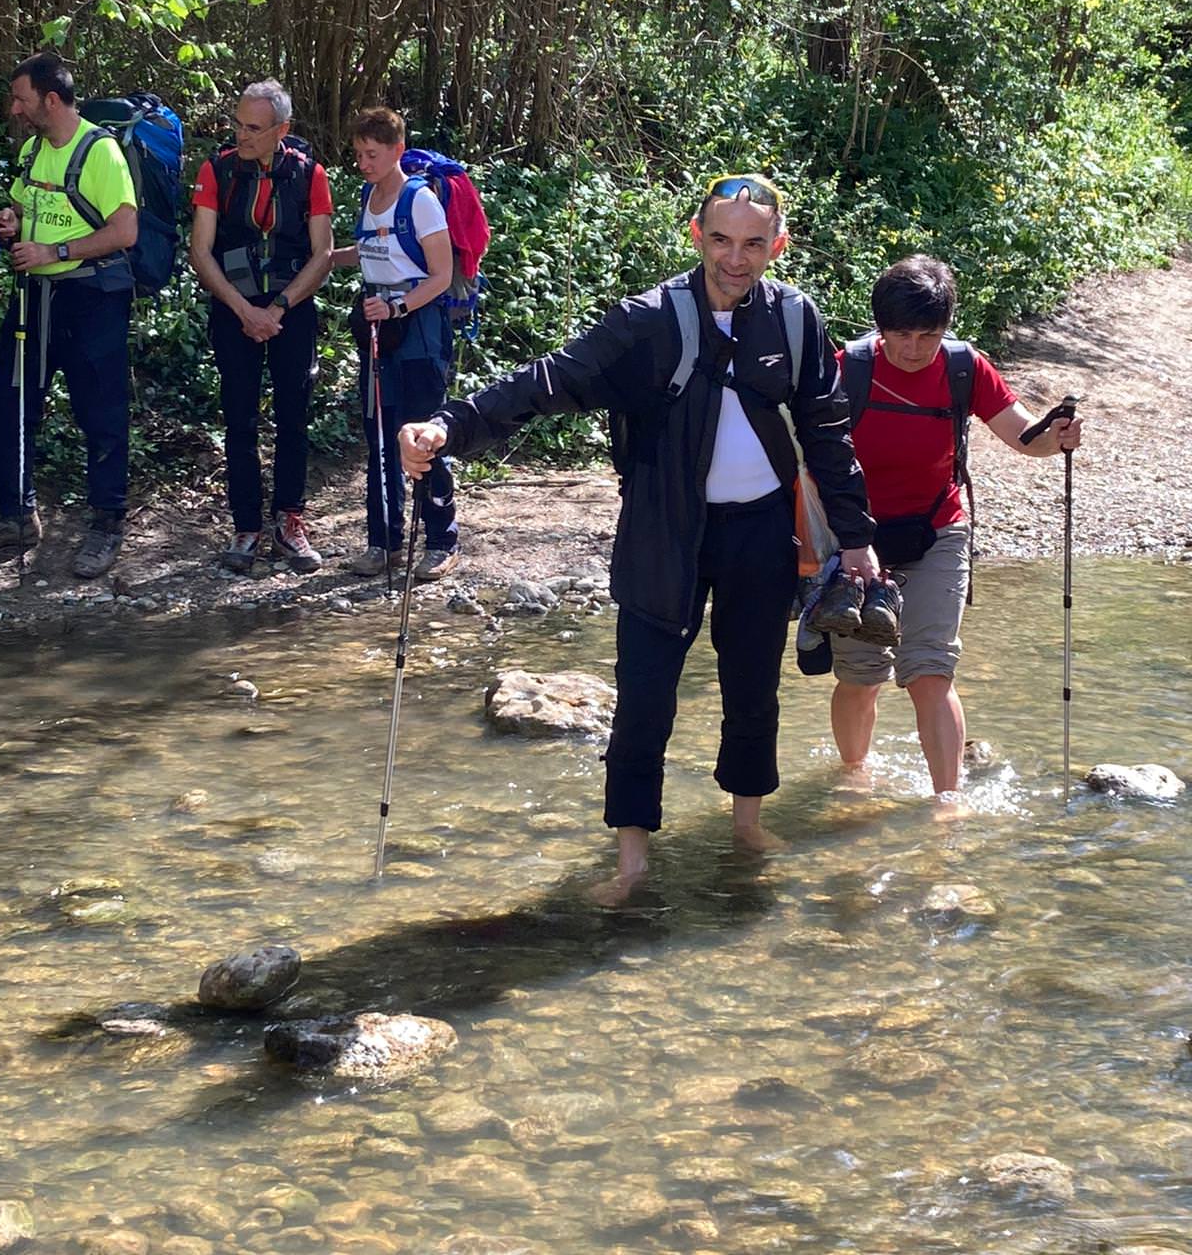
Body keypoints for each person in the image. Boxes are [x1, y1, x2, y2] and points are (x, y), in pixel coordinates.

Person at [401, 173, 878, 900]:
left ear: (777, 246)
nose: (736, 257)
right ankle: (631, 862)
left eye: (753, 243)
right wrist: (449, 425)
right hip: (662, 532)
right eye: (721, 239)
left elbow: (827, 430)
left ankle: (747, 827)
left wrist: (856, 537)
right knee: (645, 698)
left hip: (759, 534)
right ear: (696, 234)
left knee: (753, 692)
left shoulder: (795, 319)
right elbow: (549, 380)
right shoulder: (646, 321)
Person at [821, 255, 1082, 797]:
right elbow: (808, 455)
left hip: (939, 529)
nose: (914, 349)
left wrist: (1058, 438)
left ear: (946, 328)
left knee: (930, 670)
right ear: (879, 326)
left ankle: (947, 803)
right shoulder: (849, 370)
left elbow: (1022, 437)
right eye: (901, 335)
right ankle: (854, 778)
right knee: (861, 674)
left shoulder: (965, 367)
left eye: (928, 335)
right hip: (855, 537)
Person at [0, 53, 138, 578]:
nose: (15, 109)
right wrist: (11, 221)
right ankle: (16, 513)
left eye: (22, 100)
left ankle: (107, 525)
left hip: (91, 300)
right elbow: (26, 208)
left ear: (50, 100)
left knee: (100, 412)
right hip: (35, 298)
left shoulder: (101, 152)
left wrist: (55, 252)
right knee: (10, 403)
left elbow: (125, 233)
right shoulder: (33, 149)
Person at [189, 80, 334, 573]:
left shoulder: (309, 175)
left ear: (282, 130)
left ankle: (291, 521)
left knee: (294, 416)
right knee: (240, 420)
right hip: (234, 311)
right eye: (238, 124)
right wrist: (243, 310)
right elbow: (200, 252)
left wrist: (278, 308)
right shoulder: (218, 170)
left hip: (291, 311)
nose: (241, 135)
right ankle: (245, 527)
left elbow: (323, 255)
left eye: (253, 128)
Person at [332, 107, 459, 582]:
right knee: (379, 437)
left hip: (418, 334)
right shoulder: (368, 196)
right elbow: (369, 252)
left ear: (396, 151)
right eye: (359, 154)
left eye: (372, 154)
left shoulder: (420, 201)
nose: (363, 163)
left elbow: (442, 275)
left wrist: (399, 307)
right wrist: (323, 258)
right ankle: (382, 541)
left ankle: (442, 540)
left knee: (424, 438)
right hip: (377, 333)